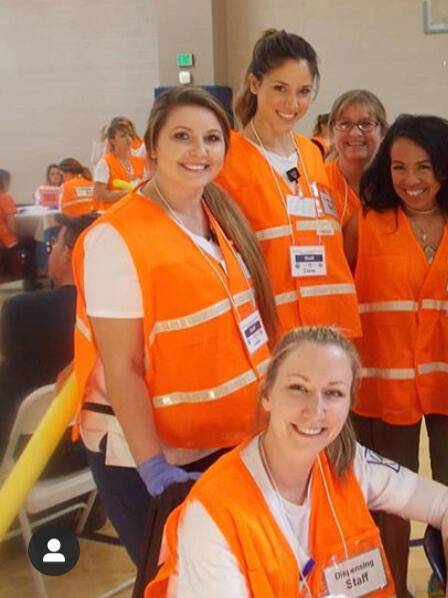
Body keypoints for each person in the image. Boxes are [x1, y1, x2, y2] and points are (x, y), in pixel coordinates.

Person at [73, 86, 278, 564]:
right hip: (148, 453)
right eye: (182, 136)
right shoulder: (116, 237)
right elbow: (122, 366)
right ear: (151, 146)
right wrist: (152, 466)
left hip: (217, 441)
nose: (198, 151)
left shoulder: (215, 218)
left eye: (211, 138)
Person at [146, 326, 448, 598]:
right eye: (298, 388)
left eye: (334, 392)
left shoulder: (346, 464)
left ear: (350, 402)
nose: (315, 409)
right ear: (266, 395)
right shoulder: (214, 513)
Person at [347, 114, 448, 594]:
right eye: (399, 168)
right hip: (385, 385)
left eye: (424, 168)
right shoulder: (366, 223)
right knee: (389, 496)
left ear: (445, 170)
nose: (411, 181)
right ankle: (390, 588)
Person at [216, 29, 361, 338]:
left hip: (327, 331)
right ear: (255, 84)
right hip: (269, 332)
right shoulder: (226, 157)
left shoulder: (311, 154)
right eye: (280, 88)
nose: (292, 103)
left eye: (304, 91)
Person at [0, 213, 98, 475]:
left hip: (28, 455)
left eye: (53, 244)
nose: (51, 251)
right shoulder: (124, 321)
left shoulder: (22, 311)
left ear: (68, 254)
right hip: (90, 454)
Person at [325, 89, 389, 243]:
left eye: (366, 124)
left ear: (383, 132)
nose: (355, 133)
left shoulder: (396, 184)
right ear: (332, 133)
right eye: (345, 124)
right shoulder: (316, 182)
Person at [92, 120, 146, 211]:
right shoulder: (105, 163)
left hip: (134, 213)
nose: (128, 139)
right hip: (111, 216)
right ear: (112, 140)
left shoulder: (139, 161)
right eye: (123, 136)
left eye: (129, 135)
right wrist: (127, 193)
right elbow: (99, 194)